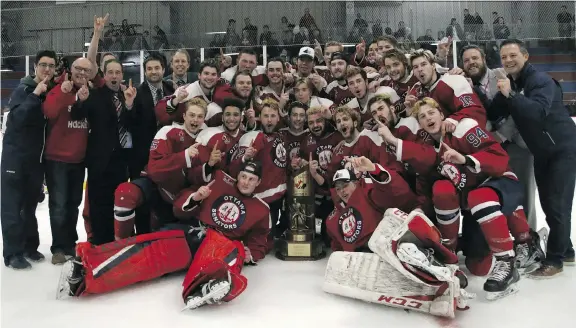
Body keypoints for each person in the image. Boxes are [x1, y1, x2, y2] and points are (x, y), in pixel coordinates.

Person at [384, 97, 543, 300]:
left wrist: (466, 159)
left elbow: (499, 158)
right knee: (478, 266)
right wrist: (419, 210)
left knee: (480, 195)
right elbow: (425, 185)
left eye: (431, 113)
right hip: (473, 205)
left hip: (500, 182)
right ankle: (448, 252)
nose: (427, 118)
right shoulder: (430, 148)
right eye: (422, 117)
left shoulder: (463, 127)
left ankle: (512, 254)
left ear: (442, 114)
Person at [60, 161, 270, 311]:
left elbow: (259, 243)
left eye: (251, 179)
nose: (245, 182)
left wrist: (253, 254)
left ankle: (210, 285)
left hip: (218, 243)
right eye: (243, 176)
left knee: (235, 250)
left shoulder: (262, 210)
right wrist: (196, 197)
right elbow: (180, 207)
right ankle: (86, 273)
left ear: (258, 182)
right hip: (191, 232)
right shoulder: (219, 181)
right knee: (147, 253)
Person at [494, 39, 576, 278]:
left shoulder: (540, 81)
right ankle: (567, 250)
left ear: (526, 56)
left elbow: (537, 112)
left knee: (559, 206)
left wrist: (511, 95)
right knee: (550, 205)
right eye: (504, 57)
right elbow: (493, 111)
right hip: (543, 151)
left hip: (562, 149)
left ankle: (555, 260)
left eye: (513, 55)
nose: (508, 60)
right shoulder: (513, 83)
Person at [460, 44, 538, 230]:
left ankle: (529, 239)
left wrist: (500, 136)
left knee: (523, 193)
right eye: (466, 61)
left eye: (475, 58)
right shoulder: (462, 83)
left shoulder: (503, 74)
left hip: (515, 143)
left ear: (484, 58)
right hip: (486, 151)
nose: (471, 63)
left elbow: (517, 110)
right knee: (490, 196)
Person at [70, 59, 138, 245]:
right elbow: (77, 115)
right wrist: (80, 101)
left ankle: (119, 239)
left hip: (122, 160)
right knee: (98, 204)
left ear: (122, 75)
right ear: (104, 74)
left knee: (119, 201)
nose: (114, 76)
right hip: (99, 160)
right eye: (110, 72)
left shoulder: (129, 95)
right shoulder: (94, 95)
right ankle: (99, 242)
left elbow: (133, 124)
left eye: (118, 72)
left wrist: (130, 105)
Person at [1, 50, 57, 269]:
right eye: (43, 64)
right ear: (35, 67)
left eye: (51, 66)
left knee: (29, 207)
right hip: (15, 160)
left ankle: (29, 247)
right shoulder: (23, 90)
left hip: (36, 161)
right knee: (12, 208)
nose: (47, 69)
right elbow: (15, 120)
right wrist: (34, 94)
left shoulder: (50, 93)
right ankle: (12, 253)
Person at [42, 58, 94, 264]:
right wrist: (64, 93)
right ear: (70, 70)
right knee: (59, 205)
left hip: (78, 160)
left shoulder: (90, 92)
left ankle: (70, 243)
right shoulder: (58, 89)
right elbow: (49, 112)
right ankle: (58, 248)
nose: (82, 72)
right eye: (78, 68)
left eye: (86, 70)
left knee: (73, 204)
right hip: (57, 159)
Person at [326, 156, 418, 252]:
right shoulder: (332, 219)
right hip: (358, 259)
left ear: (356, 183)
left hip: (383, 246)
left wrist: (375, 170)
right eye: (338, 189)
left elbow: (392, 192)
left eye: (345, 186)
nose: (342, 191)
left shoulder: (368, 192)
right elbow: (337, 248)